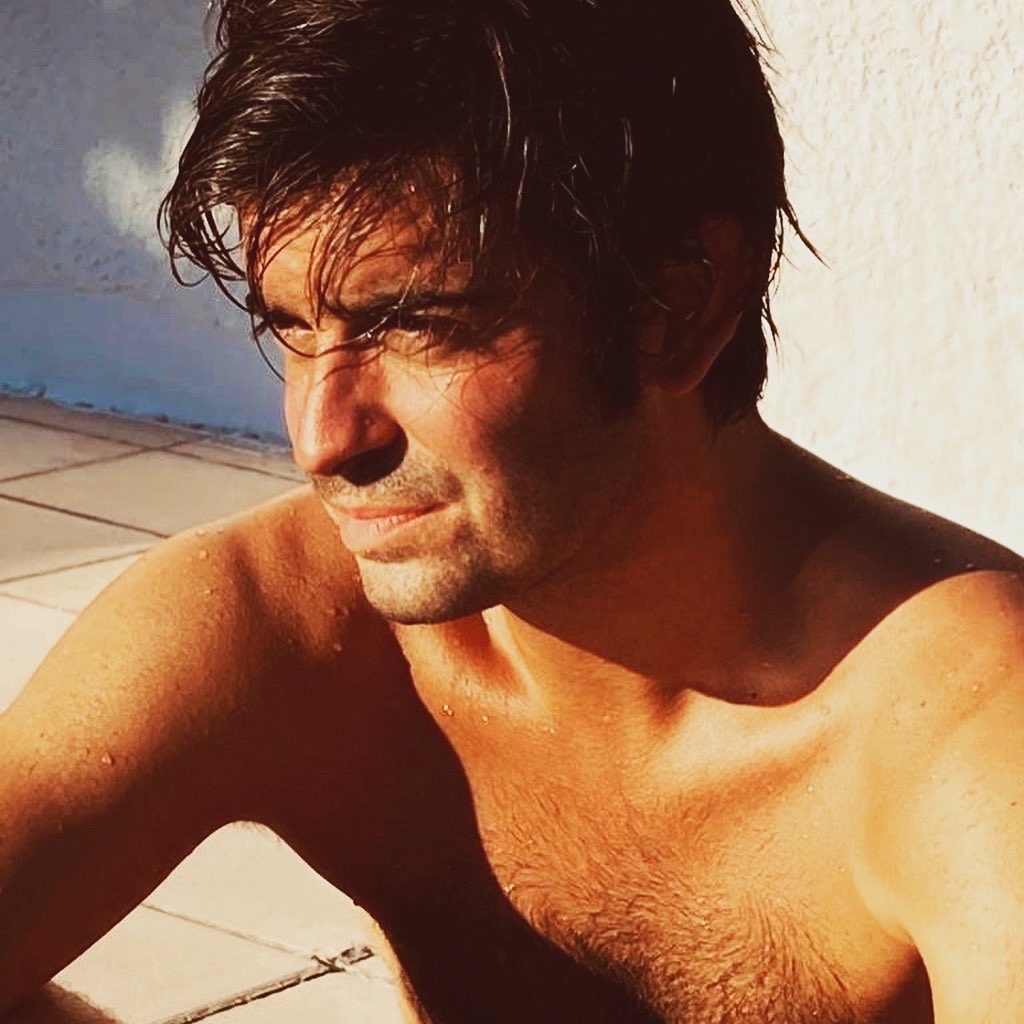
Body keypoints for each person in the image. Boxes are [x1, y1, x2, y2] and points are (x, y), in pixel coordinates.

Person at [1, 0, 1021, 1020]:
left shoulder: (967, 729)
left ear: (677, 307)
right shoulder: (280, 621)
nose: (322, 439)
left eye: (416, 325)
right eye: (294, 330)